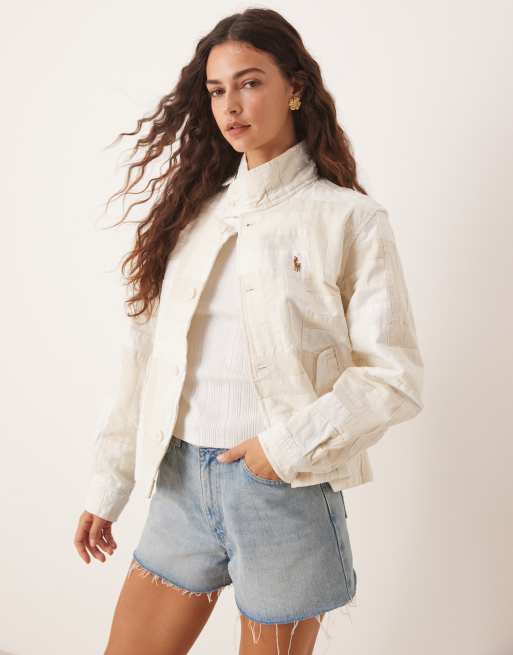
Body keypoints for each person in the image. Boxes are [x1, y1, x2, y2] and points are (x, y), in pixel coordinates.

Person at [73, 8, 424, 655]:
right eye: (216, 90)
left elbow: (393, 378)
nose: (230, 105)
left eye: (250, 83)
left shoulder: (348, 219)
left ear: (294, 87)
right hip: (179, 482)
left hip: (281, 490)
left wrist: (280, 449)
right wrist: (109, 483)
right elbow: (142, 361)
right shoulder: (191, 218)